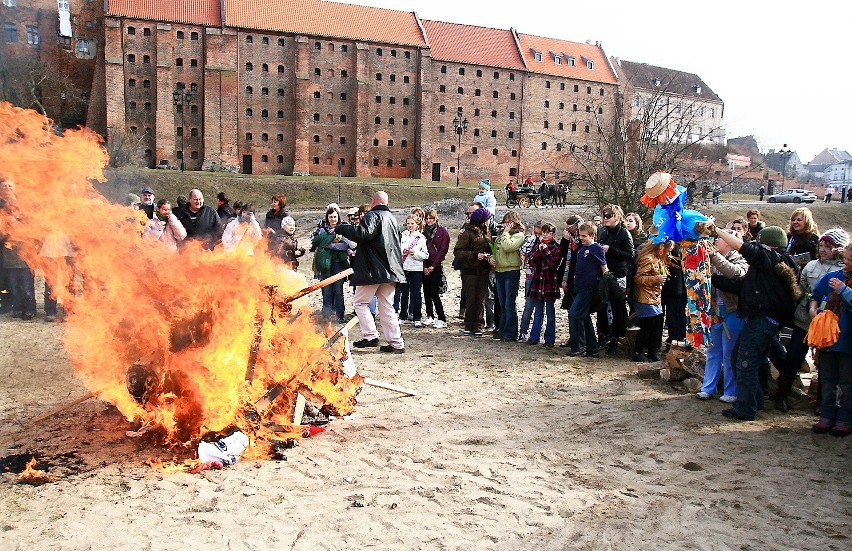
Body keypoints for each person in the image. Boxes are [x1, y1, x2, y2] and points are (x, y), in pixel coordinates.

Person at [713, 225, 802, 421]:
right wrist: (712, 280)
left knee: (745, 361)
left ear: (767, 245)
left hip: (763, 321)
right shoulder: (771, 264)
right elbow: (740, 286)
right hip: (765, 321)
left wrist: (716, 229)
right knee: (753, 360)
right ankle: (757, 399)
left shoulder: (771, 257)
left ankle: (746, 408)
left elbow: (742, 247)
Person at [777, 228, 848, 412]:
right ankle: (781, 396)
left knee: (824, 365)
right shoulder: (811, 266)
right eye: (821, 245)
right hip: (805, 320)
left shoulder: (843, 270)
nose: (823, 249)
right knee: (793, 359)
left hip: (828, 327)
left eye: (828, 246)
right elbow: (800, 290)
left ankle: (821, 403)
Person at [335, 191, 405, 353]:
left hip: (373, 269)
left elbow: (363, 234)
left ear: (373, 202)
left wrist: (342, 227)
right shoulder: (393, 219)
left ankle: (370, 336)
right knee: (387, 306)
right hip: (391, 270)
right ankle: (396, 343)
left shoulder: (373, 215)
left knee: (360, 303)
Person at [699, 229, 748, 402]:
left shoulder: (741, 259)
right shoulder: (710, 258)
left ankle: (731, 391)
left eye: (718, 239)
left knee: (729, 354)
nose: (715, 241)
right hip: (714, 312)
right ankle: (708, 387)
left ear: (729, 241)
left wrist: (713, 256)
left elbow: (734, 273)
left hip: (733, 312)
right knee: (712, 352)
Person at [809, 242, 852, 437]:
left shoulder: (842, 283)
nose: (846, 264)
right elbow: (815, 294)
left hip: (848, 340)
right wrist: (813, 307)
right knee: (827, 379)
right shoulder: (833, 276)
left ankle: (845, 419)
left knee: (847, 382)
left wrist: (844, 290)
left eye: (850, 261)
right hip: (827, 339)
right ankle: (826, 416)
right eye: (845, 260)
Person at [595, 204, 633, 355]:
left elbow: (630, 255)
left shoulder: (624, 233)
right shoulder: (602, 231)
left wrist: (611, 249)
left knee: (618, 308)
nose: (605, 218)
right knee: (602, 305)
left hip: (618, 274)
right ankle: (603, 336)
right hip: (604, 273)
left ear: (617, 217)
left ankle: (616, 339)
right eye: (604, 215)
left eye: (608, 216)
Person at [568, 222, 607, 357]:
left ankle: (579, 346)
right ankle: (592, 348)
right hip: (579, 286)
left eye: (584, 236)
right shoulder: (582, 248)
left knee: (574, 314)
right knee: (583, 317)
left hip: (588, 287)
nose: (581, 238)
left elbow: (604, 268)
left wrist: (605, 284)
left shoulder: (596, 249)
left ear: (593, 235)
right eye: (580, 236)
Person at [453, 207, 493, 337]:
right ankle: (469, 324)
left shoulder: (487, 231)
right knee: (471, 298)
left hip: (484, 269)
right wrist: (476, 255)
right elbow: (458, 252)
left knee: (481, 298)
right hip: (470, 270)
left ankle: (478, 325)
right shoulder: (467, 233)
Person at [0, 178, 36, 320]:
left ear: (14, 188)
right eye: (4, 186)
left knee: (26, 284)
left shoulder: (23, 205)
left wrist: (16, 223)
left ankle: (29, 309)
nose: (7, 188)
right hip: (6, 251)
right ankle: (13, 306)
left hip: (24, 250)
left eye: (9, 186)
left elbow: (32, 225)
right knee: (10, 282)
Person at [311, 205, 351, 323]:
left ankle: (340, 315)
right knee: (327, 290)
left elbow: (345, 245)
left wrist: (330, 245)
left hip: (339, 264)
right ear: (327, 217)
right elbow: (318, 244)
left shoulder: (342, 229)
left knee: (338, 290)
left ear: (338, 217)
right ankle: (327, 315)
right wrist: (329, 243)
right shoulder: (323, 230)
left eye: (335, 216)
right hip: (325, 263)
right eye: (330, 217)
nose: (333, 219)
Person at [631, 241, 669, 362]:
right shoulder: (647, 259)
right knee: (647, 326)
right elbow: (639, 278)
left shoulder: (658, 259)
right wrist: (655, 279)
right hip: (645, 296)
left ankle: (652, 351)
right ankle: (638, 351)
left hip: (655, 297)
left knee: (656, 325)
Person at [527, 222, 561, 346]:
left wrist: (545, 251)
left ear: (553, 234)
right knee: (538, 311)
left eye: (548, 232)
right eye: (544, 232)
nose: (545, 235)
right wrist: (539, 250)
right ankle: (534, 337)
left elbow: (554, 263)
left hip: (550, 281)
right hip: (538, 280)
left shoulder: (556, 247)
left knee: (550, 312)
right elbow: (532, 261)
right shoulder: (538, 245)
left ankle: (550, 339)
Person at [493, 211, 525, 342]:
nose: (505, 225)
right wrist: (491, 258)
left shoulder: (519, 235)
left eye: (508, 222)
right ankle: (502, 329)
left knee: (509, 303)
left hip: (511, 271)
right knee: (502, 303)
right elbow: (497, 249)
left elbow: (508, 247)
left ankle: (510, 333)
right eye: (505, 222)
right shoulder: (502, 235)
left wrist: (506, 232)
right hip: (499, 270)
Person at [398, 215, 429, 327]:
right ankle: (402, 316)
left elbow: (425, 255)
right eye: (408, 223)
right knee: (404, 293)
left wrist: (414, 253)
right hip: (404, 267)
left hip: (416, 268)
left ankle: (417, 317)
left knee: (416, 293)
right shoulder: (402, 235)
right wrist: (403, 251)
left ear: (417, 224)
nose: (410, 226)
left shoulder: (421, 238)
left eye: (412, 223)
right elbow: (397, 249)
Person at [422, 208, 450, 329]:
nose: (429, 221)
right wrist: (424, 266)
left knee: (434, 292)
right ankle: (429, 315)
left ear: (436, 219)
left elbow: (443, 249)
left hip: (436, 264)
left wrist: (433, 266)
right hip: (424, 263)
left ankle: (442, 317)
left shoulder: (442, 231)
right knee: (426, 291)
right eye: (427, 218)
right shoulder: (423, 232)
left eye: (431, 218)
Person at [518, 221, 543, 342]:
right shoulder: (530, 240)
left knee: (539, 308)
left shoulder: (545, 242)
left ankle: (535, 334)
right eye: (535, 232)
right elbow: (523, 251)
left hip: (541, 278)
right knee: (528, 306)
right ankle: (523, 332)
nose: (537, 235)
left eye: (539, 233)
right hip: (530, 276)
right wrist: (533, 238)